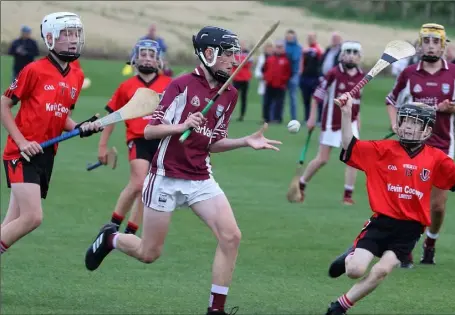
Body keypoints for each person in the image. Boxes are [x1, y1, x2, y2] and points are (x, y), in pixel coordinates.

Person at [84, 26, 282, 315]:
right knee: (149, 253)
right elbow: (151, 131)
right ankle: (111, 238)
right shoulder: (181, 85)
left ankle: (216, 310)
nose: (234, 60)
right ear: (209, 54)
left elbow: (213, 143)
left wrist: (245, 141)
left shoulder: (230, 94)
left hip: (200, 177)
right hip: (165, 177)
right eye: (228, 54)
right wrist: (182, 126)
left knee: (231, 236)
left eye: (236, 53)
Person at [324, 93, 455, 315]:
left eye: (415, 123)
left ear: (427, 130)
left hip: (410, 229)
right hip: (381, 223)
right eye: (405, 121)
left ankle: (340, 306)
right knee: (355, 271)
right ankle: (350, 255)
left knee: (381, 271)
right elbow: (350, 145)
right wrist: (346, 113)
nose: (408, 127)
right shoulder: (382, 150)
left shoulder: (436, 158)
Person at [0, 12, 101, 256]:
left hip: (46, 155)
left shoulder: (76, 76)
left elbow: (60, 115)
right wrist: (22, 142)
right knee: (32, 217)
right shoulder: (34, 70)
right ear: (50, 38)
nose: (73, 39)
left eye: (76, 33)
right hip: (21, 154)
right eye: (66, 34)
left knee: (9, 225)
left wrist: (79, 128)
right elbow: (4, 104)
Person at [385, 23, 455, 267]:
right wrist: (395, 124)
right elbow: (390, 100)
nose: (431, 46)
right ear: (420, 44)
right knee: (411, 198)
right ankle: (405, 249)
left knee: (437, 205)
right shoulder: (409, 73)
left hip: (444, 145)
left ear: (444, 46)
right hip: (413, 145)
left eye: (436, 42)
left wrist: (451, 108)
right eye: (427, 41)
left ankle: (431, 242)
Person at [97, 39, 172, 236]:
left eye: (151, 55)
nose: (147, 58)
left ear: (159, 61)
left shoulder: (170, 85)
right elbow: (112, 117)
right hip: (138, 139)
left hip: (163, 141)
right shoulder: (126, 86)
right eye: (143, 54)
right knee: (139, 182)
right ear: (134, 59)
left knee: (147, 188)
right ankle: (112, 226)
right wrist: (102, 146)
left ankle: (130, 232)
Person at [298, 41, 364, 205]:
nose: (351, 55)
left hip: (351, 123)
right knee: (322, 159)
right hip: (331, 122)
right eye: (347, 52)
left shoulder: (361, 76)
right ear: (341, 55)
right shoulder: (333, 73)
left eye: (355, 53)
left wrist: (358, 122)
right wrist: (312, 118)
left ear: (359, 57)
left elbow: (357, 103)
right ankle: (301, 184)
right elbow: (317, 97)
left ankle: (348, 195)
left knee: (353, 158)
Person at [262, 40, 291, 123]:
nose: (278, 49)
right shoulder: (270, 58)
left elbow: (288, 72)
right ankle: (266, 118)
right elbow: (264, 69)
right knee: (267, 102)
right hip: (270, 83)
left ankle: (277, 118)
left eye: (280, 47)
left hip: (280, 85)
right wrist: (266, 78)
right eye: (277, 47)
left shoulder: (286, 60)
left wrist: (283, 81)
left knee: (279, 103)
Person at [300, 32, 323, 122]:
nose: (310, 39)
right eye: (309, 37)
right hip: (304, 77)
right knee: (306, 100)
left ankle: (319, 119)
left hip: (315, 78)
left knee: (317, 99)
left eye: (312, 37)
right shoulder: (304, 50)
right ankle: (307, 118)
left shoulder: (318, 49)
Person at [232, 41, 253, 122]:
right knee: (233, 97)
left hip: (245, 78)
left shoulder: (248, 54)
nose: (242, 46)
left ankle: (242, 115)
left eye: (244, 45)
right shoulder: (235, 53)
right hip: (236, 78)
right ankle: (229, 114)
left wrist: (240, 64)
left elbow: (248, 64)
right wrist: (238, 63)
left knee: (244, 98)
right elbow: (232, 62)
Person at [285, 29, 303, 121]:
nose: (289, 38)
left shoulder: (298, 47)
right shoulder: (284, 46)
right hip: (283, 75)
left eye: (291, 37)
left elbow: (295, 58)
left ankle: (294, 118)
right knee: (279, 97)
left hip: (294, 74)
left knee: (293, 97)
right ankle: (276, 117)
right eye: (288, 36)